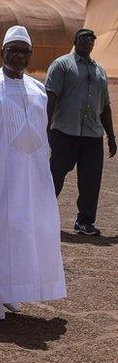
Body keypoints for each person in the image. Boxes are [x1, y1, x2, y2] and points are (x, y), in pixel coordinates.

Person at [0, 26, 66, 319]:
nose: (19, 56)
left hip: (30, 179)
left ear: (30, 55)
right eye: (13, 50)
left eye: (24, 51)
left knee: (24, 233)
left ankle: (11, 291)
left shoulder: (37, 90)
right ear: (2, 53)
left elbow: (41, 136)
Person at [45, 28, 116, 236]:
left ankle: (85, 221)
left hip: (93, 135)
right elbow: (50, 99)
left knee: (91, 180)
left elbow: (105, 106)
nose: (88, 42)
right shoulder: (62, 65)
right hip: (65, 132)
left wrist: (110, 136)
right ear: (75, 41)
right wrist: (45, 128)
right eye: (84, 38)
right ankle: (41, 216)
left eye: (91, 39)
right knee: (54, 176)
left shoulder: (99, 71)